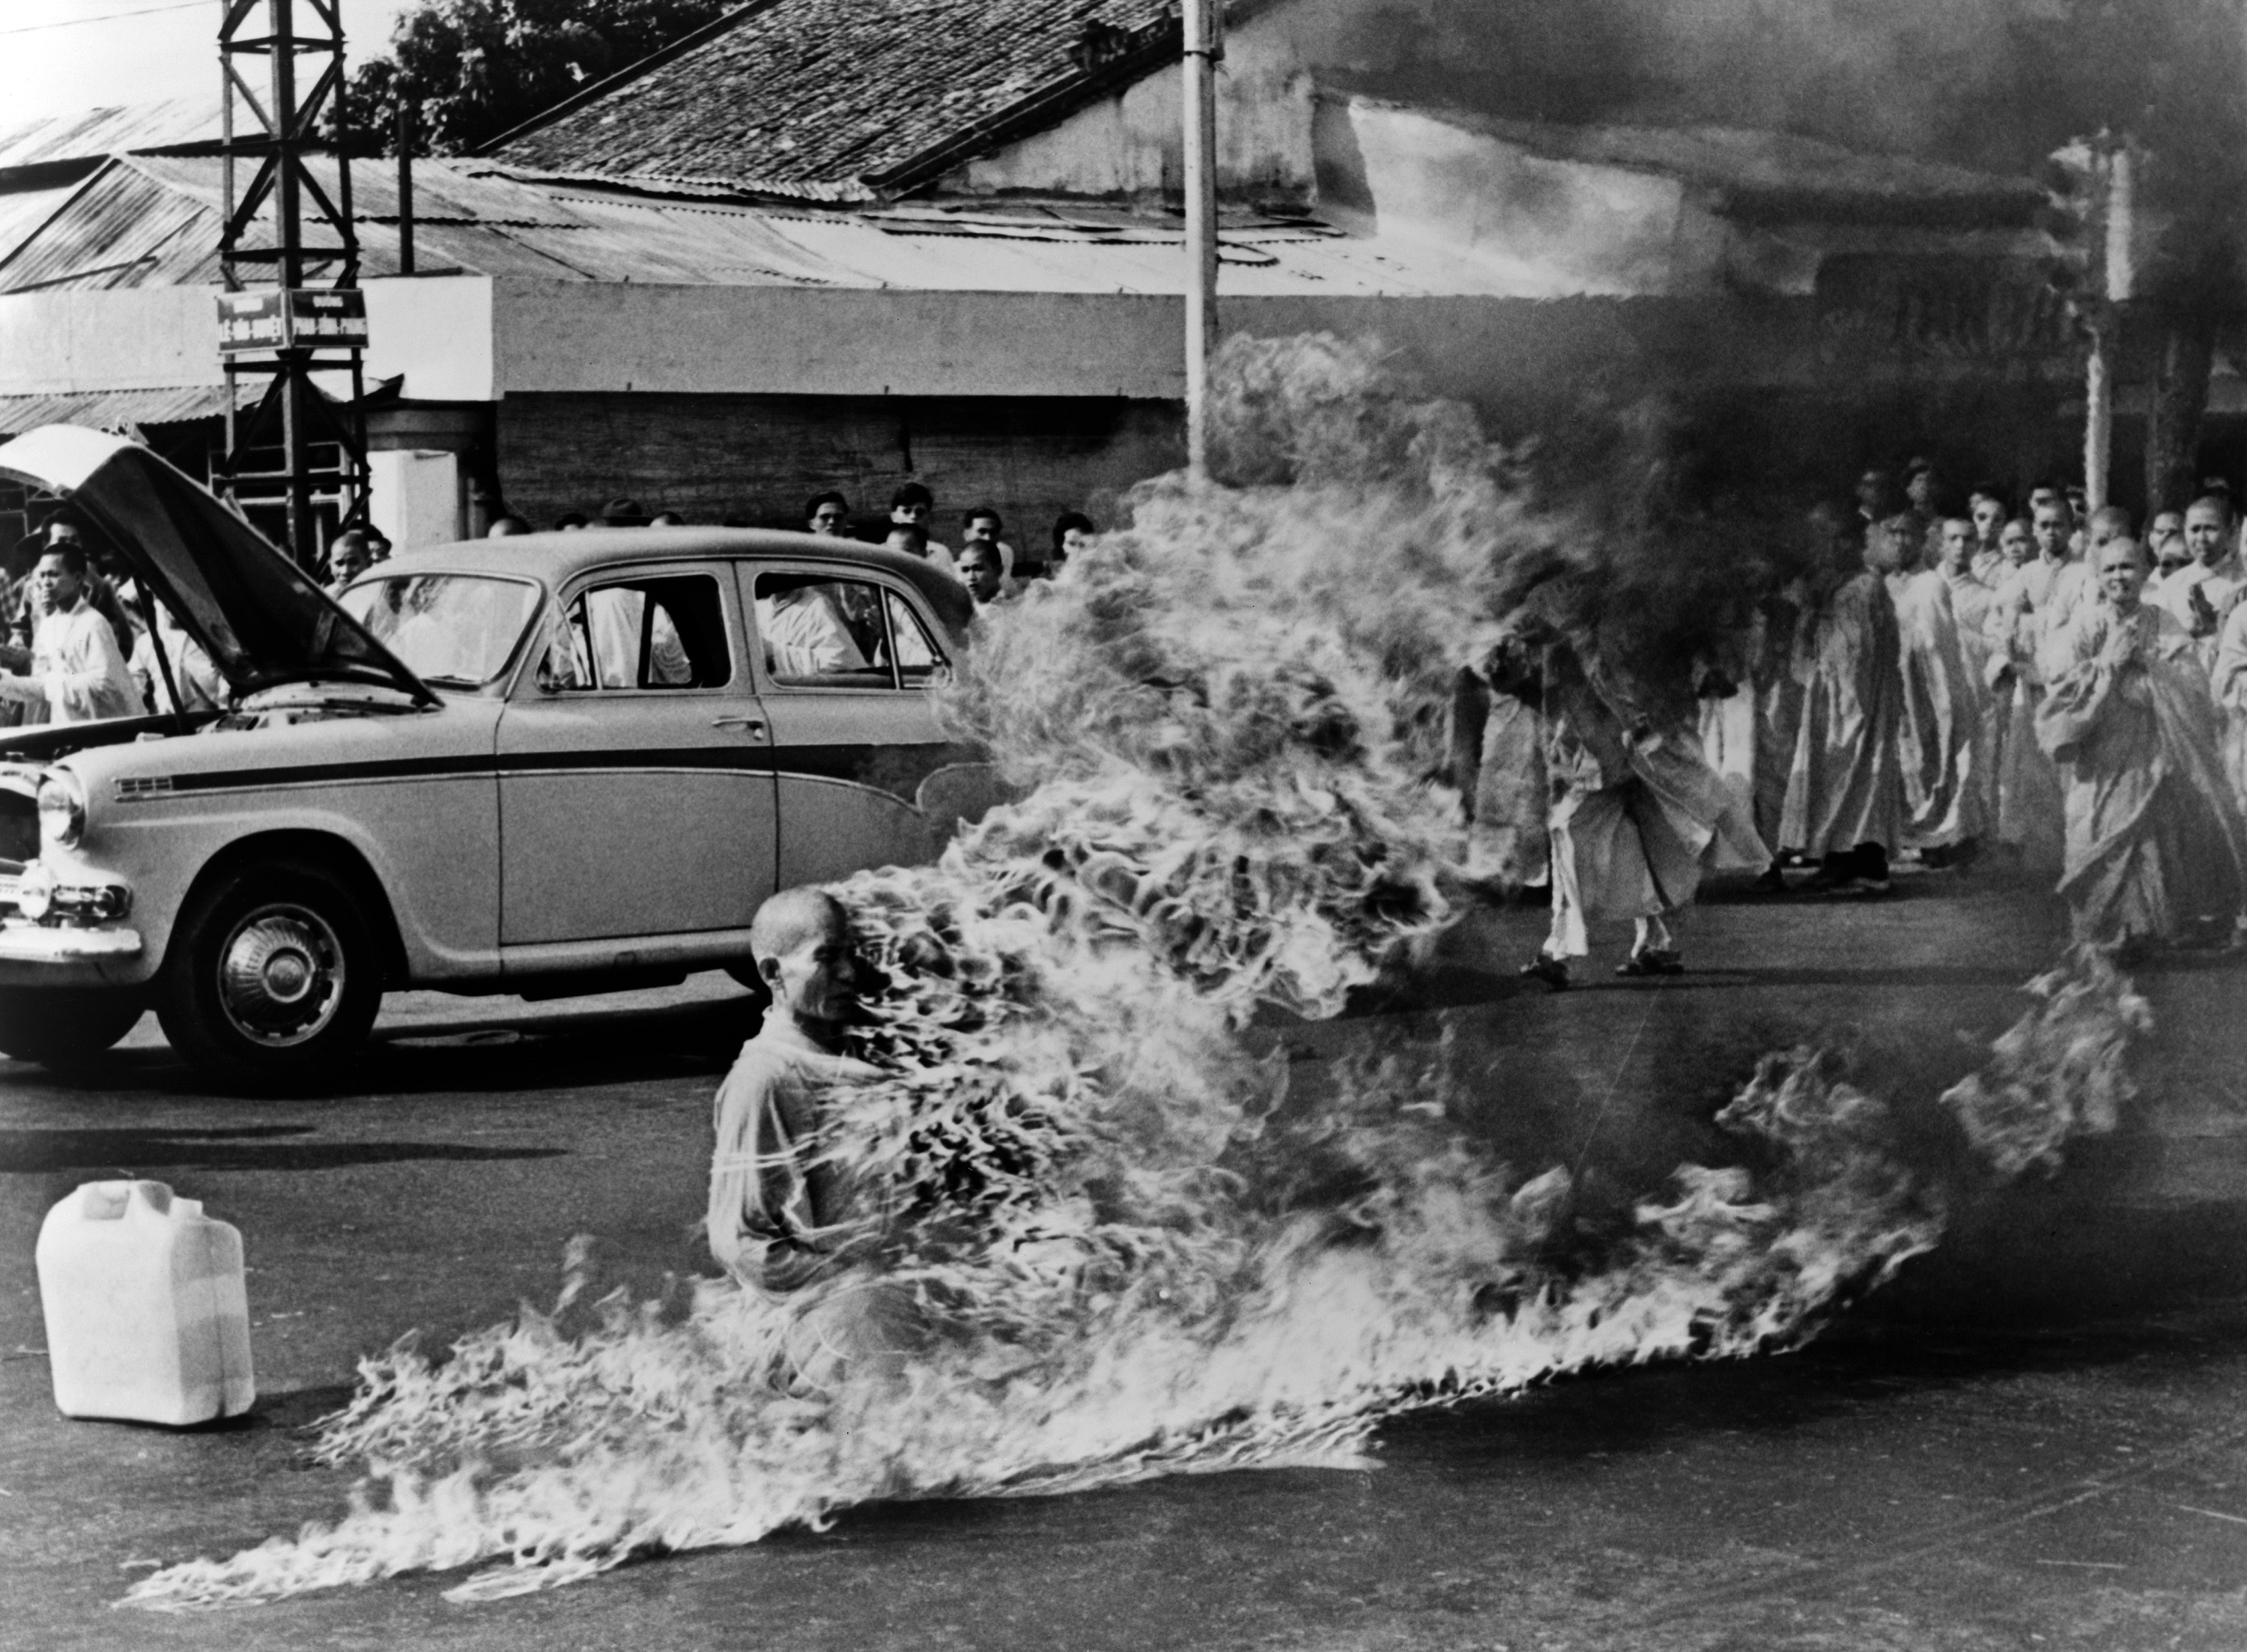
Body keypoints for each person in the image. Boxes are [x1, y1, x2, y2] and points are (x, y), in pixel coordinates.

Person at [707, 888, 920, 1389]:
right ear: (773, 975)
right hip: (833, 1328)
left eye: (850, 953)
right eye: (825, 958)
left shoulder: (849, 1051)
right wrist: (850, 1287)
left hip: (879, 1304)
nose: (848, 972)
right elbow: (739, 1241)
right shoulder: (768, 1078)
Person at [1497, 601, 1767, 987]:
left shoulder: (1577, 644)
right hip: (1611, 763)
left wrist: (1632, 733)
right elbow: (1564, 717)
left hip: (1610, 765)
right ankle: (1656, 941)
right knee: (1636, 842)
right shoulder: (1566, 647)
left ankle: (1558, 951)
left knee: (1569, 837)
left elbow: (1601, 695)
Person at [2037, 536, 2247, 952]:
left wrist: (2150, 674)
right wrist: (2106, 669)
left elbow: (2193, 685)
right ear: (2098, 576)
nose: (2120, 577)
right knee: (2095, 831)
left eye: (2128, 567)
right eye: (2111, 569)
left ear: (2144, 572)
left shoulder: (2162, 621)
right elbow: (2059, 686)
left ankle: (2141, 927)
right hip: (2099, 753)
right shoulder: (2085, 624)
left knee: (2148, 837)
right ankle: (2101, 928)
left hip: (2150, 751)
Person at [1780, 505, 1905, 893]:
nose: (1826, 550)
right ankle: (1839, 856)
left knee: (1857, 770)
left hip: (1857, 701)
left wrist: (1849, 705)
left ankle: (1860, 861)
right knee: (1835, 773)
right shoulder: (1837, 588)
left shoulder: (1862, 589)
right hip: (1835, 695)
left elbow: (1861, 656)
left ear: (1851, 543)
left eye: (1834, 541)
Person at [1884, 515, 1983, 865]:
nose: (1900, 542)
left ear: (1924, 541)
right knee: (1903, 760)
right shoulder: (1883, 584)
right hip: (1895, 687)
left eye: (1907, 534)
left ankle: (1944, 837)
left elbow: (1942, 645)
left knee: (1937, 759)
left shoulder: (1931, 584)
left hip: (1930, 688)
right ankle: (1910, 836)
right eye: (1893, 534)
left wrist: (1942, 697)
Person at [0, 544, 142, 724]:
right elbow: (41, 687)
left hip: (103, 730)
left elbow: (106, 687)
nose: (45, 582)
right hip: (68, 730)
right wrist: (5, 682)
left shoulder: (94, 623)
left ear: (77, 578)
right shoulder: (47, 627)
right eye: (42, 575)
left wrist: (54, 683)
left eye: (54, 574)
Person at [2153, 495, 2244, 664]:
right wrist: (2189, 633)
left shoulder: (2242, 582)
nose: (2201, 539)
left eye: (2210, 529)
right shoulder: (2171, 586)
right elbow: (2157, 643)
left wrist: (2217, 628)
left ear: (2230, 531)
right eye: (2195, 530)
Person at [130, 597, 226, 714]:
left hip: (212, 715)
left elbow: (233, 664)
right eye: (162, 600)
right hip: (167, 719)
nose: (169, 607)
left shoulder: (209, 636)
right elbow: (134, 679)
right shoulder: (146, 642)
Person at [890, 483, 956, 576]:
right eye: (906, 511)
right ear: (894, 516)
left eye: (919, 512)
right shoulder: (879, 552)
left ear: (929, 516)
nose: (913, 516)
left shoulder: (940, 553)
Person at [959, 505, 1016, 580]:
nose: (988, 538)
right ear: (966, 534)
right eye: (982, 531)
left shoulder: (1004, 553)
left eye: (993, 532)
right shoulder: (956, 573)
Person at [1968, 486, 2010, 583]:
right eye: (1982, 517)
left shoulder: (2007, 563)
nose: (1989, 523)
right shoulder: (1962, 553)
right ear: (1973, 519)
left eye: (1997, 519)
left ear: (2004, 524)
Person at [956, 541, 1014, 607]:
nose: (971, 577)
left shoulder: (1015, 607)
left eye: (978, 569)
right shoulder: (961, 610)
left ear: (998, 571)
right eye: (965, 570)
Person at [325, 528, 374, 595]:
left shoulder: (380, 595)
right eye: (339, 564)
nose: (345, 571)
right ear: (330, 565)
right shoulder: (324, 597)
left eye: (353, 563)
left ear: (369, 564)